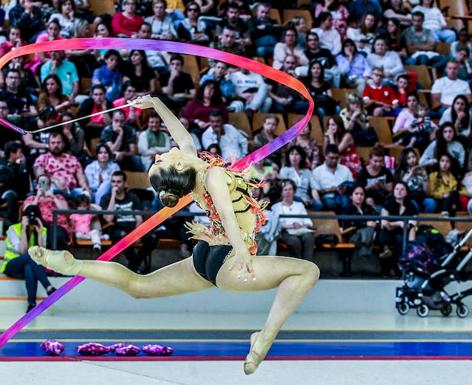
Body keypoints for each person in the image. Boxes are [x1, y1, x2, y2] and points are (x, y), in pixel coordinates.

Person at [29, 95, 320, 375]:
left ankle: (76, 266)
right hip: (229, 257)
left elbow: (182, 138)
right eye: (161, 159)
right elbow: (227, 214)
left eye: (157, 159)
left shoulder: (195, 178)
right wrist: (243, 251)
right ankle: (264, 338)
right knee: (307, 272)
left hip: (205, 256)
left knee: (138, 286)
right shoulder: (214, 176)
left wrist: (154, 103)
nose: (159, 154)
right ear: (178, 165)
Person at [100, 171, 158, 274]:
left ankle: (133, 264)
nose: (116, 184)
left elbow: (139, 218)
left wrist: (137, 234)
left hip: (133, 228)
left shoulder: (132, 197)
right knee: (123, 237)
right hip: (118, 229)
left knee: (153, 238)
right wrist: (113, 196)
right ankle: (136, 266)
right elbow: (108, 219)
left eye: (119, 182)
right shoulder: (106, 198)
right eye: (113, 182)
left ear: (124, 183)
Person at [2, 205, 56, 313]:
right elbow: (22, 250)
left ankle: (31, 304)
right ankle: (48, 286)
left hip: (27, 268)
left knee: (29, 268)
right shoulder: (14, 229)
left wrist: (40, 233)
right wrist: (24, 229)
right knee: (30, 257)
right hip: (12, 266)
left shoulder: (42, 230)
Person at [33, 131, 90, 199]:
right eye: (53, 143)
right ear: (48, 144)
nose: (56, 145)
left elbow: (80, 176)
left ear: (63, 144)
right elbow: (40, 175)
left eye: (58, 142)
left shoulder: (72, 158)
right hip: (51, 189)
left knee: (86, 194)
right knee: (44, 185)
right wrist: (55, 181)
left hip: (71, 191)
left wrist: (84, 186)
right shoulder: (42, 158)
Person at [378, 182, 418, 277]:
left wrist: (394, 224)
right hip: (389, 232)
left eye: (402, 189)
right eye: (396, 189)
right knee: (384, 232)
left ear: (406, 192)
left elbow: (413, 223)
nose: (399, 191)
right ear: (393, 191)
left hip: (404, 233)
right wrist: (400, 223)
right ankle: (386, 251)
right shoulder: (388, 204)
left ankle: (399, 269)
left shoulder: (411, 206)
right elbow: (383, 223)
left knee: (399, 239)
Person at [271, 179, 315, 260]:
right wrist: (290, 226)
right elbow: (276, 224)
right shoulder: (276, 207)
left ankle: (308, 266)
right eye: (285, 190)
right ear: (281, 192)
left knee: (309, 238)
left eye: (290, 189)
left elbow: (308, 222)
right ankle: (299, 266)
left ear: (294, 191)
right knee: (295, 241)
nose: (288, 192)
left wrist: (300, 225)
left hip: (301, 229)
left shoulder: (300, 205)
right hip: (285, 231)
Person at [339, 186, 377, 275]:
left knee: (371, 230)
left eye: (362, 194)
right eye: (356, 194)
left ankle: (365, 243)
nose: (359, 196)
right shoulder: (347, 208)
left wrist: (375, 223)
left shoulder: (368, 208)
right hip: (352, 234)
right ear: (351, 196)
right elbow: (348, 224)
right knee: (368, 229)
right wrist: (366, 224)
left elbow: (376, 219)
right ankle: (366, 247)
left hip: (365, 235)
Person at [0, 140, 31, 227]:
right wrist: (15, 166)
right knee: (11, 196)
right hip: (7, 190)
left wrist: (22, 166)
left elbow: (26, 179)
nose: (21, 155)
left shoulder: (21, 165)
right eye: (20, 152)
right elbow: (6, 180)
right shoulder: (2, 163)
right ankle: (11, 223)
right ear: (12, 153)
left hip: (21, 191)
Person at [311, 144, 353, 212]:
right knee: (331, 203)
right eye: (331, 158)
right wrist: (330, 189)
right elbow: (315, 191)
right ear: (325, 156)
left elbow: (353, 185)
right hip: (328, 197)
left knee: (346, 201)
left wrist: (346, 188)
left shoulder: (345, 169)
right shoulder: (317, 171)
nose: (334, 160)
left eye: (336, 158)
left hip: (343, 196)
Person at [355, 144, 394, 209]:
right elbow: (359, 190)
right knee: (369, 201)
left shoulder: (386, 171)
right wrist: (371, 186)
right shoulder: (363, 172)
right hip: (368, 197)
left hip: (383, 197)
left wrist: (382, 186)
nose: (378, 164)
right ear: (370, 160)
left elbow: (390, 189)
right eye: (375, 161)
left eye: (380, 161)